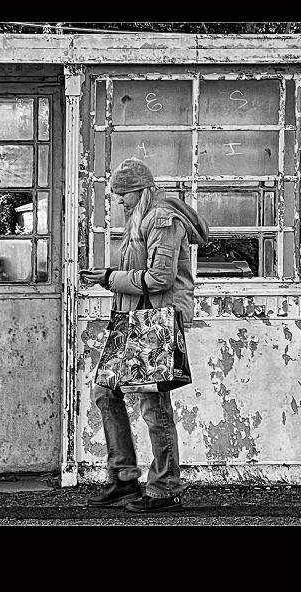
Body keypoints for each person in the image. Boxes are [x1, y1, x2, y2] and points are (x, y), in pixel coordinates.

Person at [81, 158, 209, 513]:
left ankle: (165, 488)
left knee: (154, 406)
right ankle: (124, 480)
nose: (119, 200)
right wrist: (111, 278)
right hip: (131, 319)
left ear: (142, 190)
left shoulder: (162, 220)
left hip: (154, 320)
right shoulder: (142, 218)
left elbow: (160, 279)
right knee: (105, 392)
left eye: (124, 194)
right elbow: (142, 273)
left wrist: (110, 278)